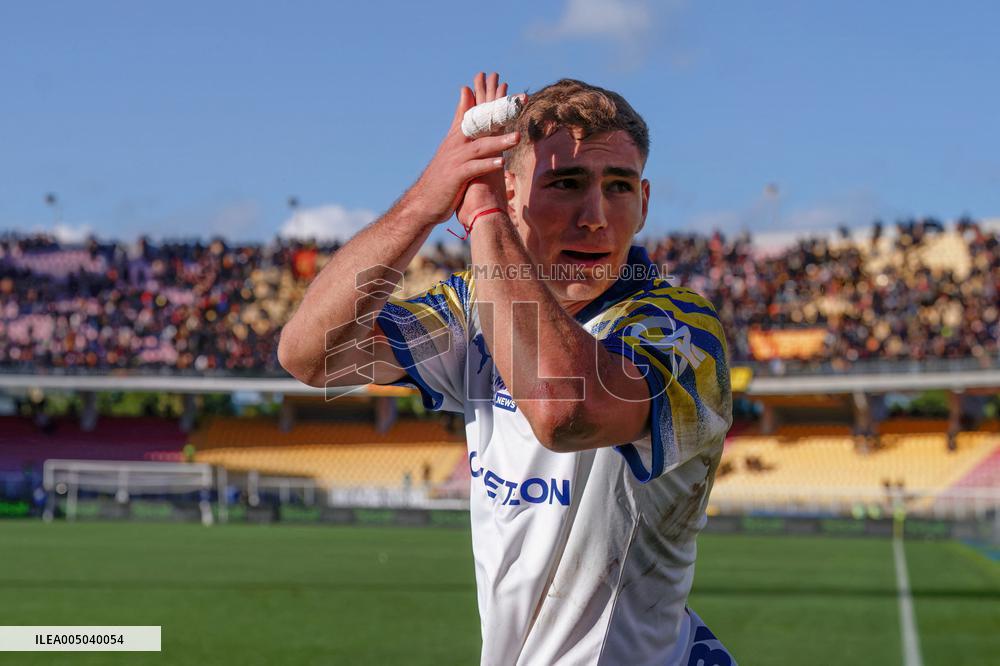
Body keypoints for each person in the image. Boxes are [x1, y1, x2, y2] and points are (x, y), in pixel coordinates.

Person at [278, 72, 734, 665]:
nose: (595, 215)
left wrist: (484, 215)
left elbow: (563, 411)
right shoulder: (474, 307)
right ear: (513, 190)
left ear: (643, 204)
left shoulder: (681, 330)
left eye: (618, 186)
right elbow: (310, 355)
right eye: (566, 184)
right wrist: (429, 197)